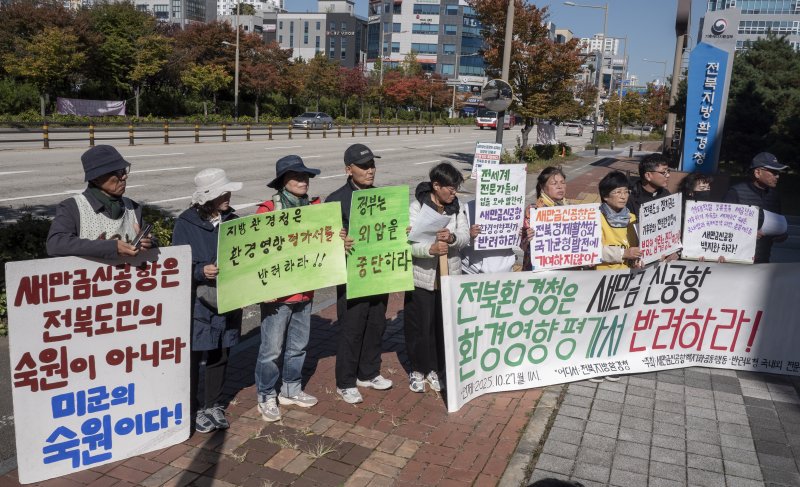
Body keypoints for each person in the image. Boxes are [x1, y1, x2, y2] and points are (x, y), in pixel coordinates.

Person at [172, 168, 243, 434]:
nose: (228, 196)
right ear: (207, 197)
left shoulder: (233, 219)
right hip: (200, 302)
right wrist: (200, 271)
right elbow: (177, 264)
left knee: (221, 352)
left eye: (228, 191)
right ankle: (193, 408)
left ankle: (213, 404)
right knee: (194, 355)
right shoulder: (186, 223)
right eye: (222, 192)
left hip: (228, 296)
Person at [254, 155, 322, 422]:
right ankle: (266, 395)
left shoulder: (317, 207)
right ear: (283, 182)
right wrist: (263, 287)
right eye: (296, 177)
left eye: (305, 176)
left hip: (306, 289)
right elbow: (256, 253)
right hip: (278, 293)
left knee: (299, 346)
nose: (303, 181)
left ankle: (291, 389)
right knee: (271, 350)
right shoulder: (268, 210)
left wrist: (337, 238)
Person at [326, 143, 393, 404]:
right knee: (351, 328)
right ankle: (345, 381)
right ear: (348, 169)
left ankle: (369, 373)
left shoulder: (382, 196)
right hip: (351, 274)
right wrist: (339, 243)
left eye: (372, 165)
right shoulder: (336, 200)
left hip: (378, 272)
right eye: (364, 166)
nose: (370, 170)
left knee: (376, 323)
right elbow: (325, 242)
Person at [406, 162, 469, 393]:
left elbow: (464, 236)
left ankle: (435, 369)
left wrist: (452, 238)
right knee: (419, 327)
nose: (454, 192)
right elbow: (409, 245)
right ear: (436, 185)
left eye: (456, 188)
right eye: (450, 188)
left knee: (442, 326)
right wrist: (429, 250)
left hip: (448, 276)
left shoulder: (457, 207)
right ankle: (417, 370)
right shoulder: (416, 207)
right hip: (421, 278)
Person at [47, 145, 153, 258]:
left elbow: (150, 239)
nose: (124, 176)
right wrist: (111, 248)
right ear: (95, 179)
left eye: (124, 170)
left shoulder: (133, 207)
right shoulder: (72, 207)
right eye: (117, 172)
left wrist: (149, 243)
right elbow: (55, 244)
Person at [593, 171, 642, 383]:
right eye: (617, 192)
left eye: (626, 191)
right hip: (601, 277)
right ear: (605, 196)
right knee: (599, 322)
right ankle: (594, 363)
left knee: (618, 321)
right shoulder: (596, 217)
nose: (623, 196)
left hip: (626, 277)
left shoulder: (633, 219)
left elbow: (640, 247)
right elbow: (591, 250)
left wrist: (640, 257)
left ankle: (611, 360)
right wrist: (623, 253)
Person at [723, 152, 789, 263]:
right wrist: (747, 232)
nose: (777, 176)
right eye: (773, 172)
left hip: (762, 260)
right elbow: (720, 225)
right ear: (757, 172)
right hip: (736, 260)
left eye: (778, 172)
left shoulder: (774, 196)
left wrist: (782, 235)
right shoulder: (735, 193)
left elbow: (779, 227)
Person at [523, 166, 568, 271]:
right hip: (539, 271)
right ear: (542, 187)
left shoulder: (572, 209)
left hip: (564, 268)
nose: (560, 187)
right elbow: (523, 245)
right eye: (554, 183)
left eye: (562, 182)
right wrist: (527, 237)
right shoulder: (534, 210)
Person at [626, 152, 671, 217]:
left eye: (668, 171)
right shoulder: (630, 199)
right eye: (663, 172)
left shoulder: (666, 194)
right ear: (648, 176)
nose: (668, 175)